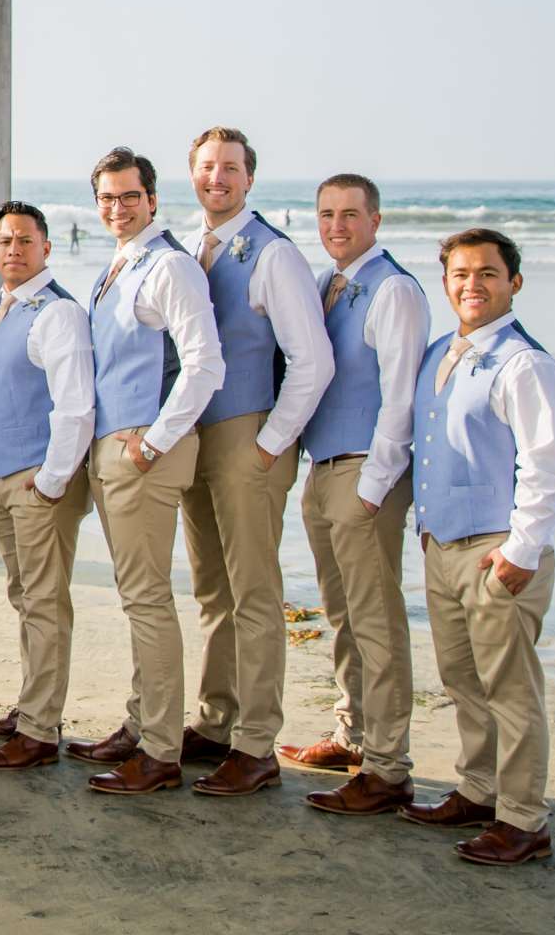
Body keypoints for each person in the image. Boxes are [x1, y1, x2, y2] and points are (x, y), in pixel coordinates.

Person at [363, 228, 555, 867]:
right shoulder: (436, 353)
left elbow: (547, 465)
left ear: (514, 281)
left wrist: (521, 551)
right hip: (443, 545)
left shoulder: (525, 365)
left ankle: (523, 819)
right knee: (463, 679)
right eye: (459, 274)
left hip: (496, 552)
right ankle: (480, 791)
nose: (471, 285)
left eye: (486, 273)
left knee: (511, 688)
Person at [177, 128, 335, 796]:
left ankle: (256, 742)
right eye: (208, 167)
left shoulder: (273, 255)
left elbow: (313, 360)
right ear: (193, 175)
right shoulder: (186, 248)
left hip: (249, 434)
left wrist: (272, 442)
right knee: (213, 589)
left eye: (231, 169)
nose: (218, 178)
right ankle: (216, 720)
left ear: (250, 179)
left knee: (255, 591)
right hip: (194, 434)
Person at [64, 147, 225, 796]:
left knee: (149, 600)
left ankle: (161, 751)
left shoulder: (171, 267)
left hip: (143, 452)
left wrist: (152, 443)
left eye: (129, 196)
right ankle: (142, 724)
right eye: (107, 197)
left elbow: (204, 364)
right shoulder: (121, 264)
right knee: (138, 598)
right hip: (117, 448)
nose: (117, 207)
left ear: (153, 199)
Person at [283, 174, 428, 815]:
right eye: (325, 215)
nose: (336, 226)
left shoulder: (393, 290)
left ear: (376, 219)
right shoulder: (327, 285)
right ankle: (354, 733)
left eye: (349, 214)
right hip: (325, 468)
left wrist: (373, 487)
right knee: (341, 613)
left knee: (376, 620)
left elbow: (400, 397)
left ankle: (390, 768)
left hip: (366, 473)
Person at [0, 201, 95, 773]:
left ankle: (40, 732)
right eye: (4, 241)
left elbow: (76, 406)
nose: (13, 249)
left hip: (39, 482)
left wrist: (51, 482)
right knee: (24, 597)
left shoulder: (56, 313)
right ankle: (31, 708)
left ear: (47, 247)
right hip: (1, 474)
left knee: (44, 602)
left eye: (25, 240)